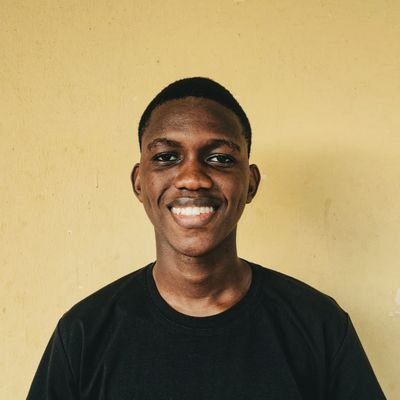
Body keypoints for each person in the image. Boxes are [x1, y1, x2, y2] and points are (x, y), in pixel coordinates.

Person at [28, 77, 386, 399]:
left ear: (250, 183)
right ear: (139, 183)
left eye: (219, 158)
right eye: (167, 157)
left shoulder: (318, 325)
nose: (192, 178)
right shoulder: (84, 334)